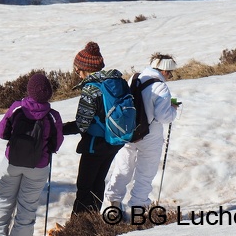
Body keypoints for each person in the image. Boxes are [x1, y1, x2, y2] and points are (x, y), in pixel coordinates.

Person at [0, 73, 64, 236]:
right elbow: (56, 143)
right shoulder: (53, 115)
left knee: (3, 201)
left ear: (29, 90)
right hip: (38, 167)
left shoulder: (17, 107)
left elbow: (2, 132)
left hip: (12, 162)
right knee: (27, 209)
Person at [105, 53, 179, 210]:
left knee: (123, 169)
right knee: (145, 173)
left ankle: (113, 205)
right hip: (150, 135)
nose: (170, 76)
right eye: (170, 72)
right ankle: (137, 208)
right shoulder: (160, 86)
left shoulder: (135, 78)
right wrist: (173, 109)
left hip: (128, 132)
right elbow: (163, 116)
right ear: (164, 71)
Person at [62, 41, 124, 214]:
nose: (76, 73)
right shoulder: (115, 82)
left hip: (95, 144)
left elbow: (82, 124)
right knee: (98, 184)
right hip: (114, 140)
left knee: (84, 188)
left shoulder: (91, 88)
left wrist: (58, 129)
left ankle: (78, 229)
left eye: (77, 69)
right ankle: (94, 223)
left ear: (84, 69)